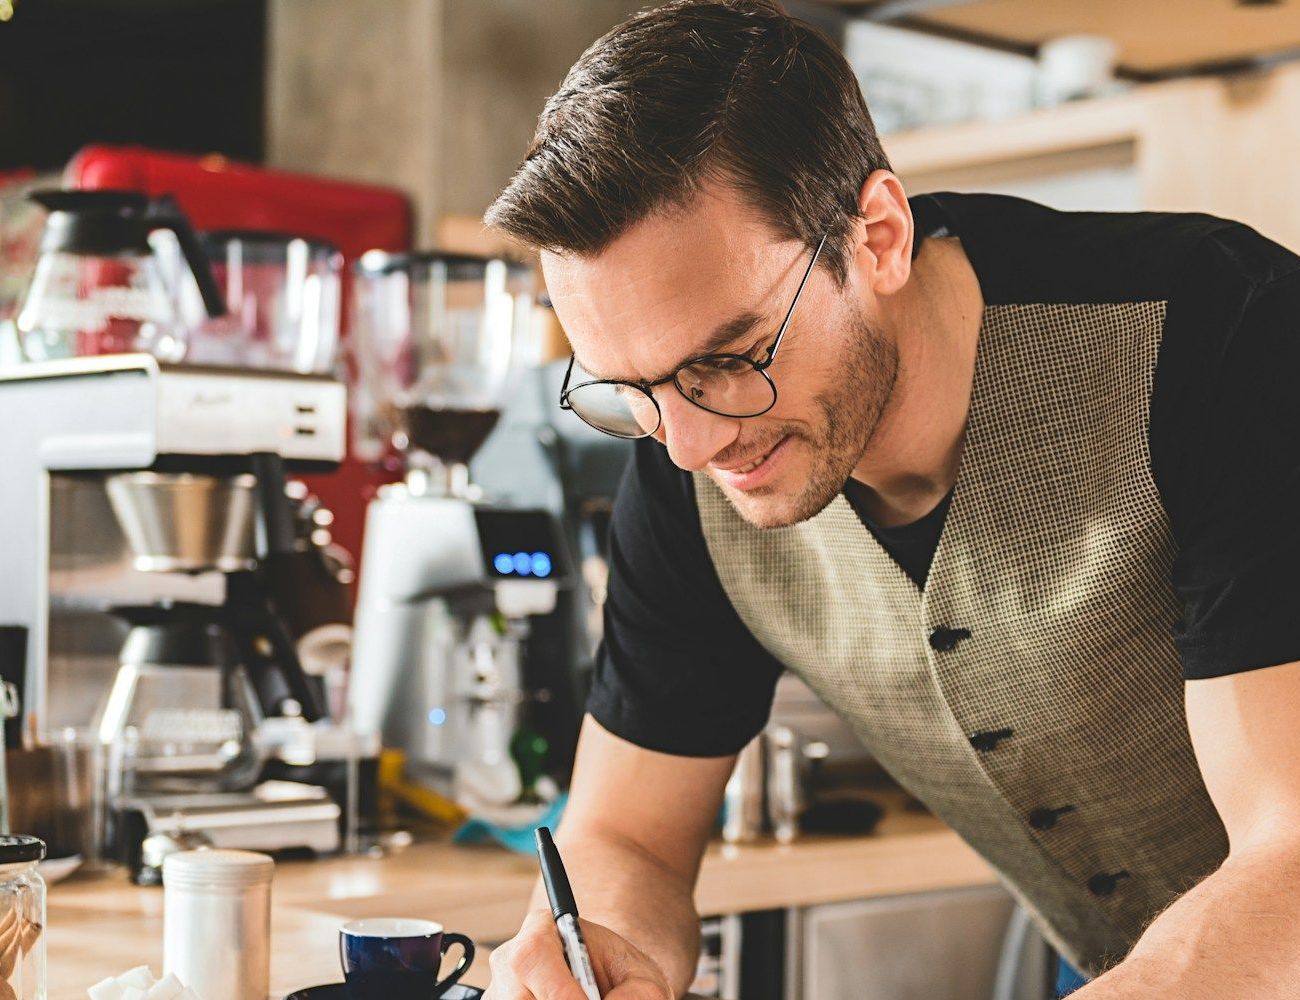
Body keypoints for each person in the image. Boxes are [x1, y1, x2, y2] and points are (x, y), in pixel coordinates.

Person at [480, 2, 1300, 998]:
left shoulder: (1228, 340)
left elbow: (1290, 849)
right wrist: (598, 944)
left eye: (731, 359)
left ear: (877, 236)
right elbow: (625, 835)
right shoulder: (684, 458)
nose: (689, 443)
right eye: (628, 389)